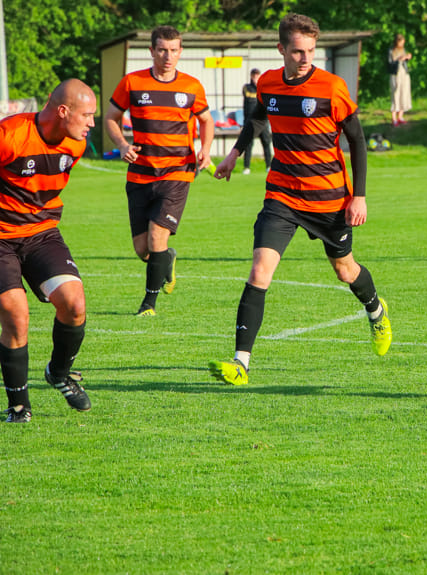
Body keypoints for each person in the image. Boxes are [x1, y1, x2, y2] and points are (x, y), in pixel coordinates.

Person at [208, 13, 392, 386]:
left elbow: (356, 140)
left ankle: (375, 310)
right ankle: (241, 362)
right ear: (282, 50)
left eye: (311, 50)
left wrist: (359, 196)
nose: (306, 58)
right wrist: (234, 154)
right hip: (283, 195)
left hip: (328, 200)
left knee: (345, 271)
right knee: (260, 270)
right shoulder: (270, 84)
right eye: (297, 51)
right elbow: (259, 117)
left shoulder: (331, 87)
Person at [0, 79, 97, 422]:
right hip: (0, 239)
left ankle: (58, 373)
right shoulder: (9, 136)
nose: (92, 123)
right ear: (62, 111)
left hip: (42, 234)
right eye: (87, 115)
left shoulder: (76, 145)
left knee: (74, 304)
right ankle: (18, 406)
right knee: (15, 312)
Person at [104, 25, 215, 317]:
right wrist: (121, 143)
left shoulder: (191, 86)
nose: (168, 56)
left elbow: (206, 120)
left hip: (178, 172)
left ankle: (148, 305)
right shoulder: (132, 83)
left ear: (180, 52)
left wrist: (205, 148)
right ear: (152, 51)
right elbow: (112, 117)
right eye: (162, 50)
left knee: (156, 238)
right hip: (140, 173)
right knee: (144, 249)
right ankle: (168, 258)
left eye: (174, 50)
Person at [240, 68, 273, 174]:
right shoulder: (247, 88)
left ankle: (269, 166)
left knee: (266, 143)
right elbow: (250, 96)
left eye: (257, 76)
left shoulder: (263, 88)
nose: (255, 78)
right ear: (251, 76)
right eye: (254, 76)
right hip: (250, 121)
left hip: (262, 121)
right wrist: (256, 85)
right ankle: (246, 167)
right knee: (248, 144)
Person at [388, 34, 412, 126]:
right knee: (396, 93)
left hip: (404, 73)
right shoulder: (391, 51)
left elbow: (404, 61)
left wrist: (407, 58)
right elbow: (390, 63)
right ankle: (394, 118)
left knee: (404, 92)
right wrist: (399, 60)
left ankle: (400, 116)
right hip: (395, 74)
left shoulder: (403, 50)